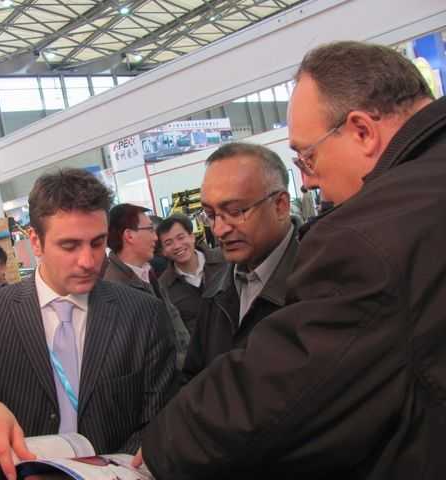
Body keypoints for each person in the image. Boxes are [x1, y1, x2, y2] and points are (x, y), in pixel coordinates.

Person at [138, 40, 445, 479]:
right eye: (210, 214)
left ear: (362, 131)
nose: (308, 180)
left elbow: (291, 385)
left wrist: (164, 445)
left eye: (308, 156)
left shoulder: (367, 234)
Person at [0, 169, 175, 480]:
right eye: (69, 246)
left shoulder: (143, 313)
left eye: (97, 243)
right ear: (36, 242)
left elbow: (160, 418)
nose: (88, 261)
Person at [179, 143, 299, 384]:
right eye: (210, 215)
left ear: (280, 205)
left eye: (235, 211)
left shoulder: (319, 280)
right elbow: (196, 379)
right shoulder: (216, 290)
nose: (219, 230)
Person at [103, 203, 190, 368]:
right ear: (129, 236)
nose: (156, 238)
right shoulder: (115, 290)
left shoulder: (147, 272)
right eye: (150, 230)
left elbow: (173, 319)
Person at [156, 213, 226, 336]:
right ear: (163, 252)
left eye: (181, 237)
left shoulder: (224, 259)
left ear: (192, 237)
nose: (177, 246)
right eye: (168, 243)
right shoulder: (164, 286)